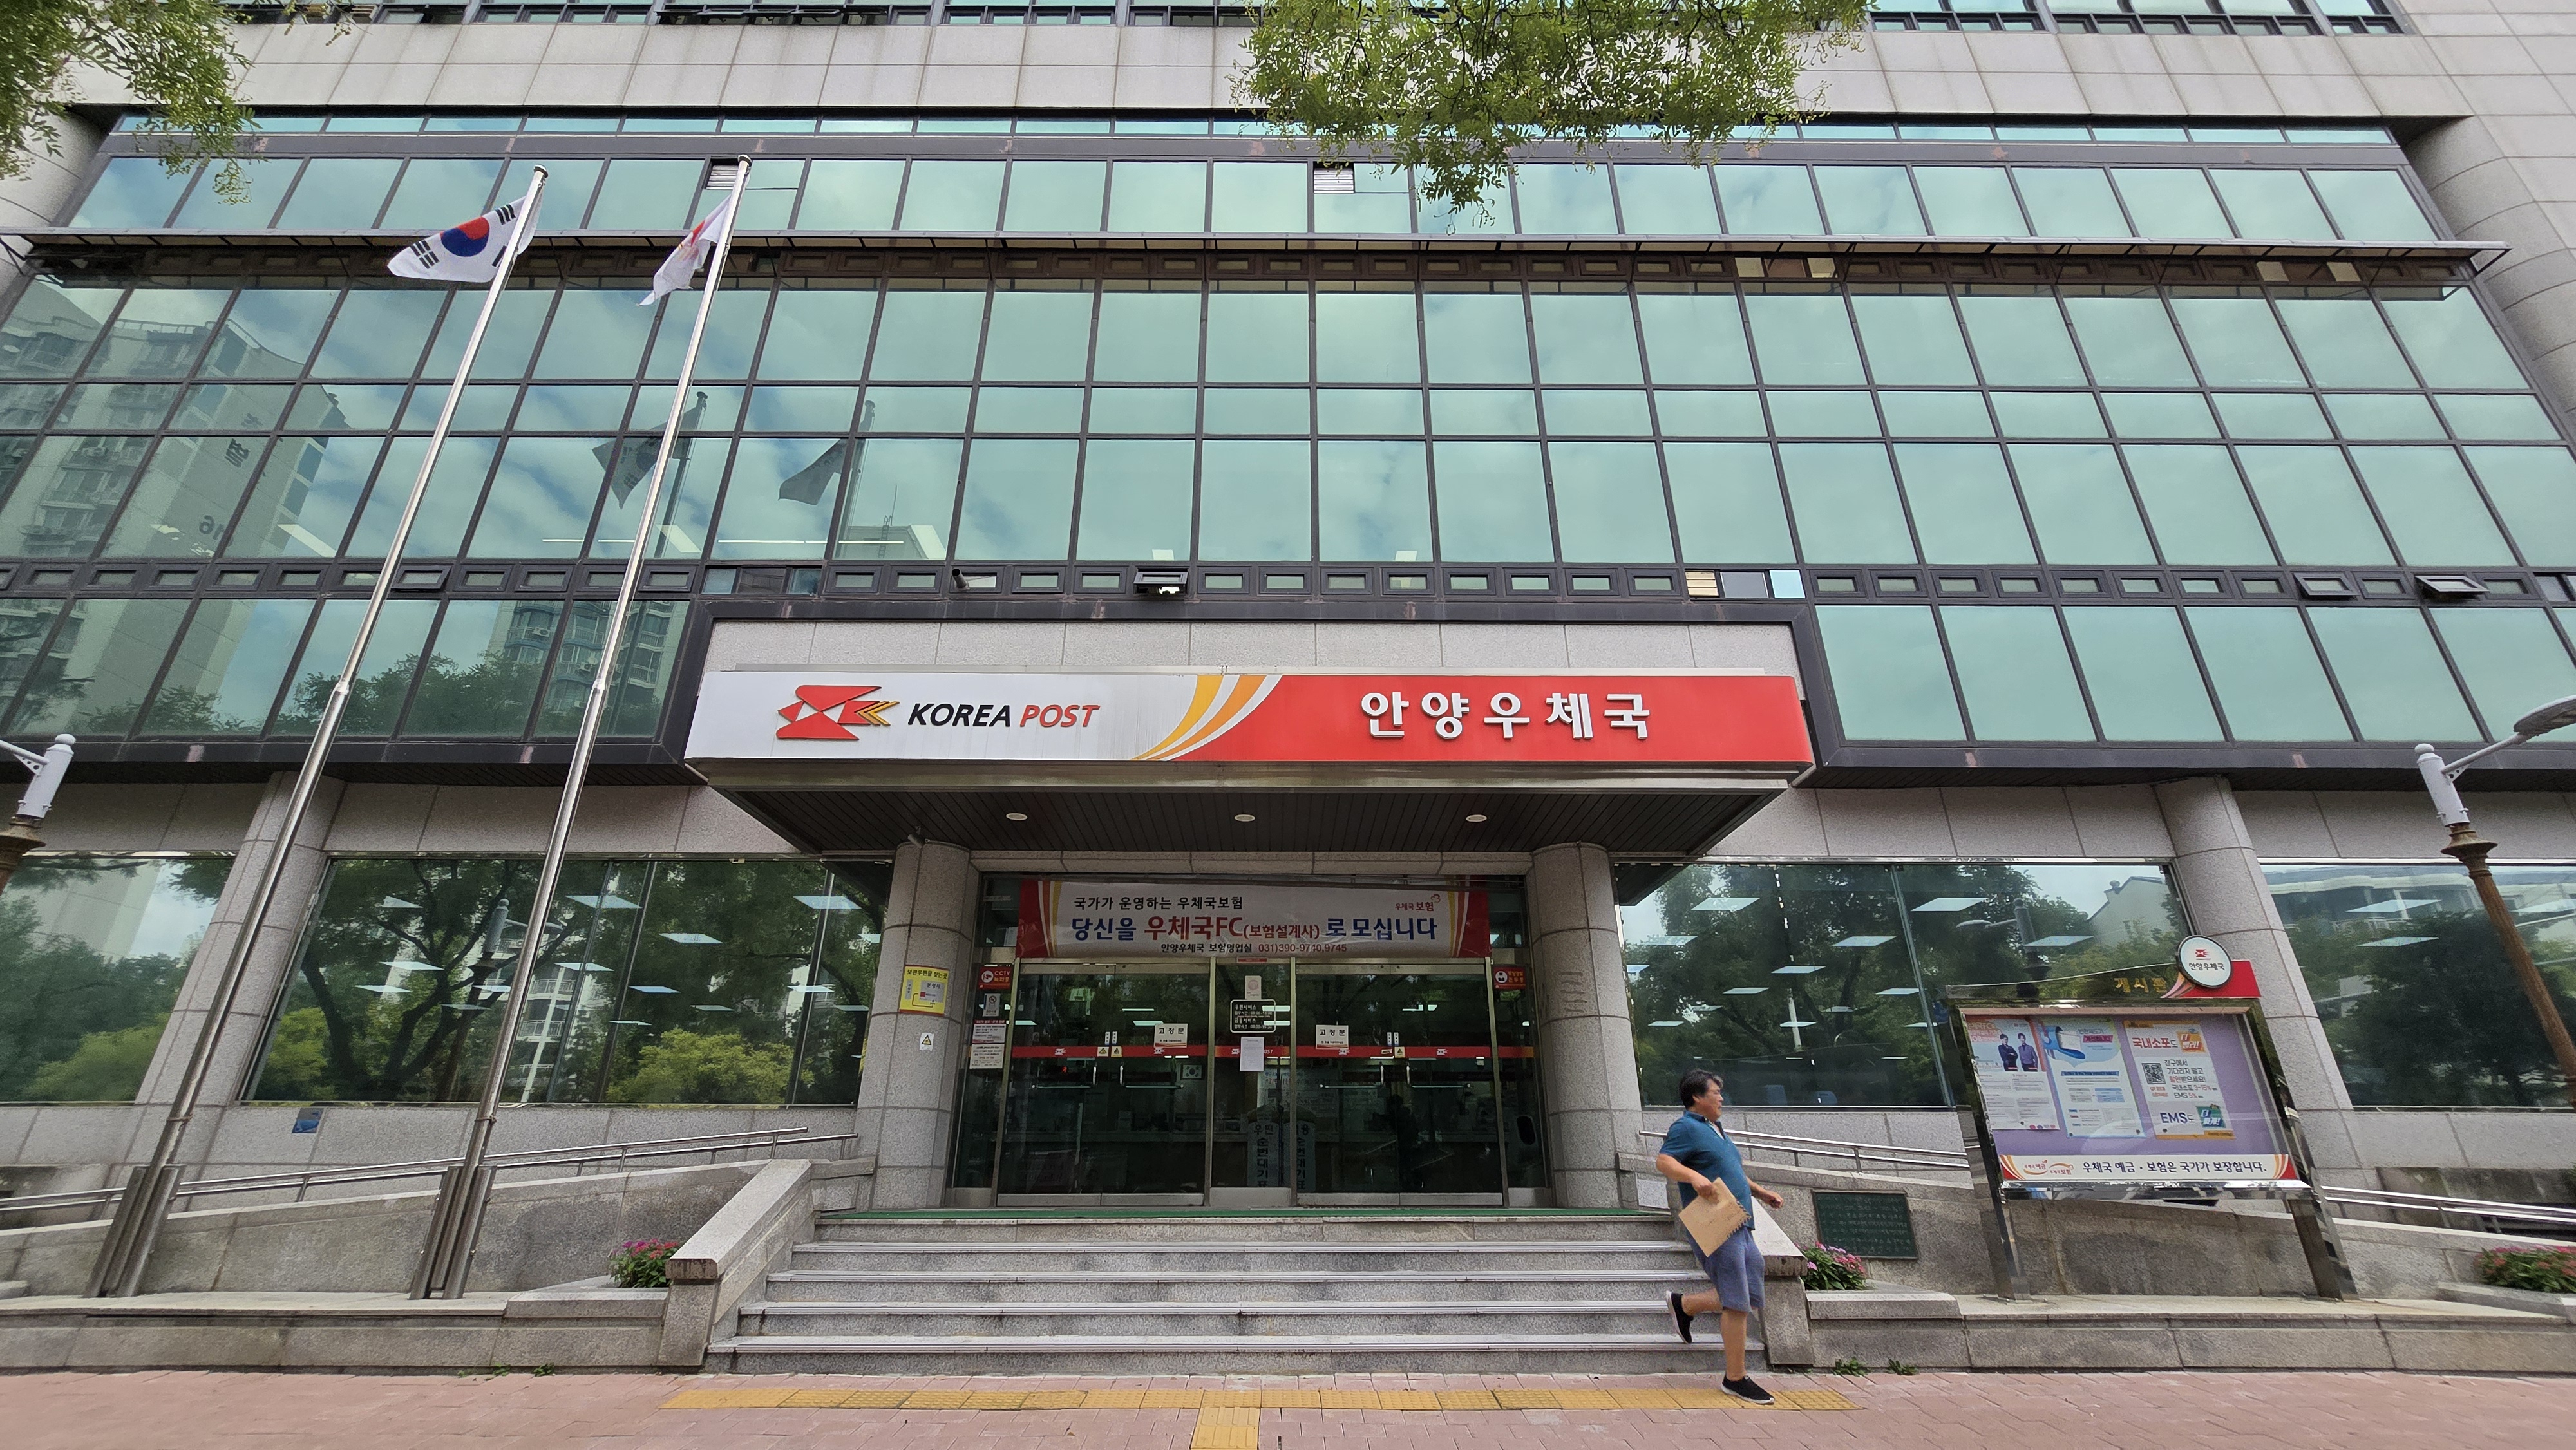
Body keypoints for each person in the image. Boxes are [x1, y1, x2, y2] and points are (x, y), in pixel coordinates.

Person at [1655, 1068, 1786, 1405]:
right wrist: (1693, 1177)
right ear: (1697, 1097)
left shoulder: (1716, 1129)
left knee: (1750, 1293)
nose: (1722, 1098)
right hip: (1715, 1221)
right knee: (1737, 1301)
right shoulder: (1686, 1127)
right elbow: (1664, 1161)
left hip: (1741, 1221)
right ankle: (1735, 1378)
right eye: (1716, 1092)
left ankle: (1685, 1305)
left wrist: (1760, 1192)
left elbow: (1732, 1170)